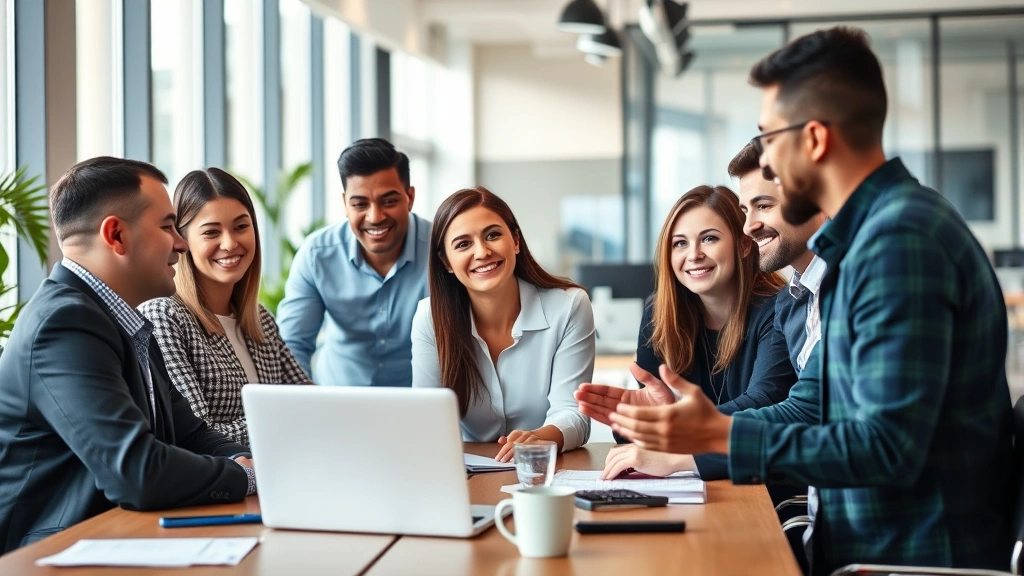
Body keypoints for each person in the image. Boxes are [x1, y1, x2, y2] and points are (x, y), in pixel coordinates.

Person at [606, 27, 1013, 574]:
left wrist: (717, 434)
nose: (766, 162)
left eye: (770, 139)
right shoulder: (864, 243)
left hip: (905, 559)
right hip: (860, 545)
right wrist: (699, 435)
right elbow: (814, 402)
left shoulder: (899, 241)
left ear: (815, 139)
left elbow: (888, 447)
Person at [0, 157, 255, 553]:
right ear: (116, 235)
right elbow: (137, 472)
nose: (181, 244)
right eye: (168, 226)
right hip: (55, 554)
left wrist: (249, 461)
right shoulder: (64, 324)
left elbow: (189, 433)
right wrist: (244, 477)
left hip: (124, 539)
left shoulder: (122, 320)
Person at [592, 144, 827, 479]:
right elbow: (635, 433)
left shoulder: (782, 306)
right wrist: (649, 420)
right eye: (680, 243)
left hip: (752, 485)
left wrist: (675, 429)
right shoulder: (661, 312)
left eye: (710, 239)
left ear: (744, 243)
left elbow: (768, 401)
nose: (694, 255)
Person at [411, 187, 594, 462]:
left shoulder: (569, 307)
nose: (482, 252)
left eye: (493, 235)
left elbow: (574, 414)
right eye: (463, 244)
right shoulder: (430, 317)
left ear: (516, 241)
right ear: (446, 262)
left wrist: (542, 437)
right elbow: (426, 419)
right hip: (467, 471)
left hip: (544, 467)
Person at [140, 168, 313, 447]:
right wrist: (287, 417)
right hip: (220, 485)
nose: (230, 243)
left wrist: (298, 414)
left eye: (241, 227)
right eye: (211, 232)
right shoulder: (165, 317)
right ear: (183, 241)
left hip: (279, 470)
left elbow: (309, 399)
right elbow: (196, 435)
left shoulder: (261, 319)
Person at [277, 138, 430, 386]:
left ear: (409, 197)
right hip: (336, 400)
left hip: (418, 402)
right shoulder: (317, 255)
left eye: (389, 201)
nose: (375, 217)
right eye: (360, 204)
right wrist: (303, 406)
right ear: (345, 204)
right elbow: (293, 345)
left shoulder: (442, 251)